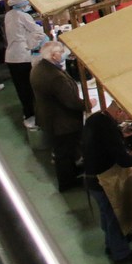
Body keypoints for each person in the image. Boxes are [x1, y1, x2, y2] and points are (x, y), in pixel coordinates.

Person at [81, 105, 132, 263]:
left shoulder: (96, 118)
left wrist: (121, 135)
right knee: (115, 217)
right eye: (125, 116)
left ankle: (111, 244)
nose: (125, 121)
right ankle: (121, 254)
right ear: (119, 111)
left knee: (106, 214)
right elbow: (123, 160)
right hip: (103, 181)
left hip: (91, 178)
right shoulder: (108, 129)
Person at [32, 41, 88, 191]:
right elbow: (70, 101)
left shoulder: (39, 68)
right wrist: (87, 104)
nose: (63, 53)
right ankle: (67, 182)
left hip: (49, 118)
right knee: (64, 153)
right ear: (53, 55)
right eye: (60, 51)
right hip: (61, 122)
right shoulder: (55, 77)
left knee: (63, 151)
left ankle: (71, 174)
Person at [4, 0, 42, 128]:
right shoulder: (24, 16)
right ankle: (33, 115)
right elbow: (37, 30)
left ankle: (28, 113)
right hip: (22, 57)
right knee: (29, 88)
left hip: (11, 56)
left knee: (20, 87)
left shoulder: (9, 15)